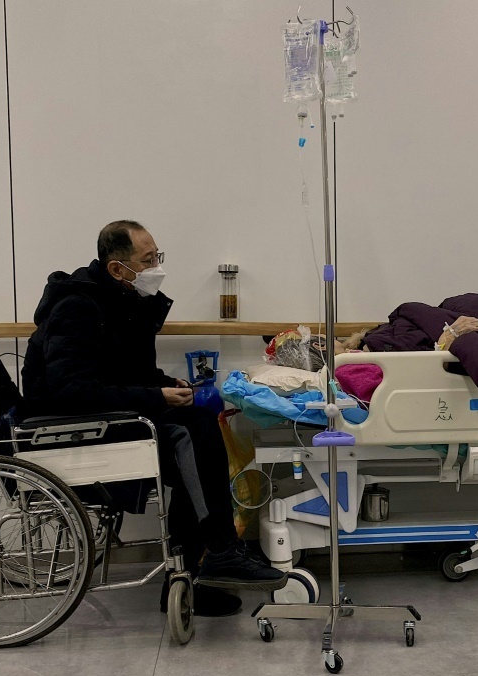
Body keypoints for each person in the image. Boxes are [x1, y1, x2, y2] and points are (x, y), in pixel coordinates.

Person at [21, 219, 285, 617]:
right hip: (71, 428)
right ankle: (220, 552)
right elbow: (71, 391)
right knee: (191, 438)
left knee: (197, 437)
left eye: (157, 256)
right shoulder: (78, 307)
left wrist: (164, 384)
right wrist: (156, 395)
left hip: (105, 416)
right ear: (117, 268)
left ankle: (191, 577)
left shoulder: (117, 301)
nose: (157, 267)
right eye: (148, 260)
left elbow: (122, 372)